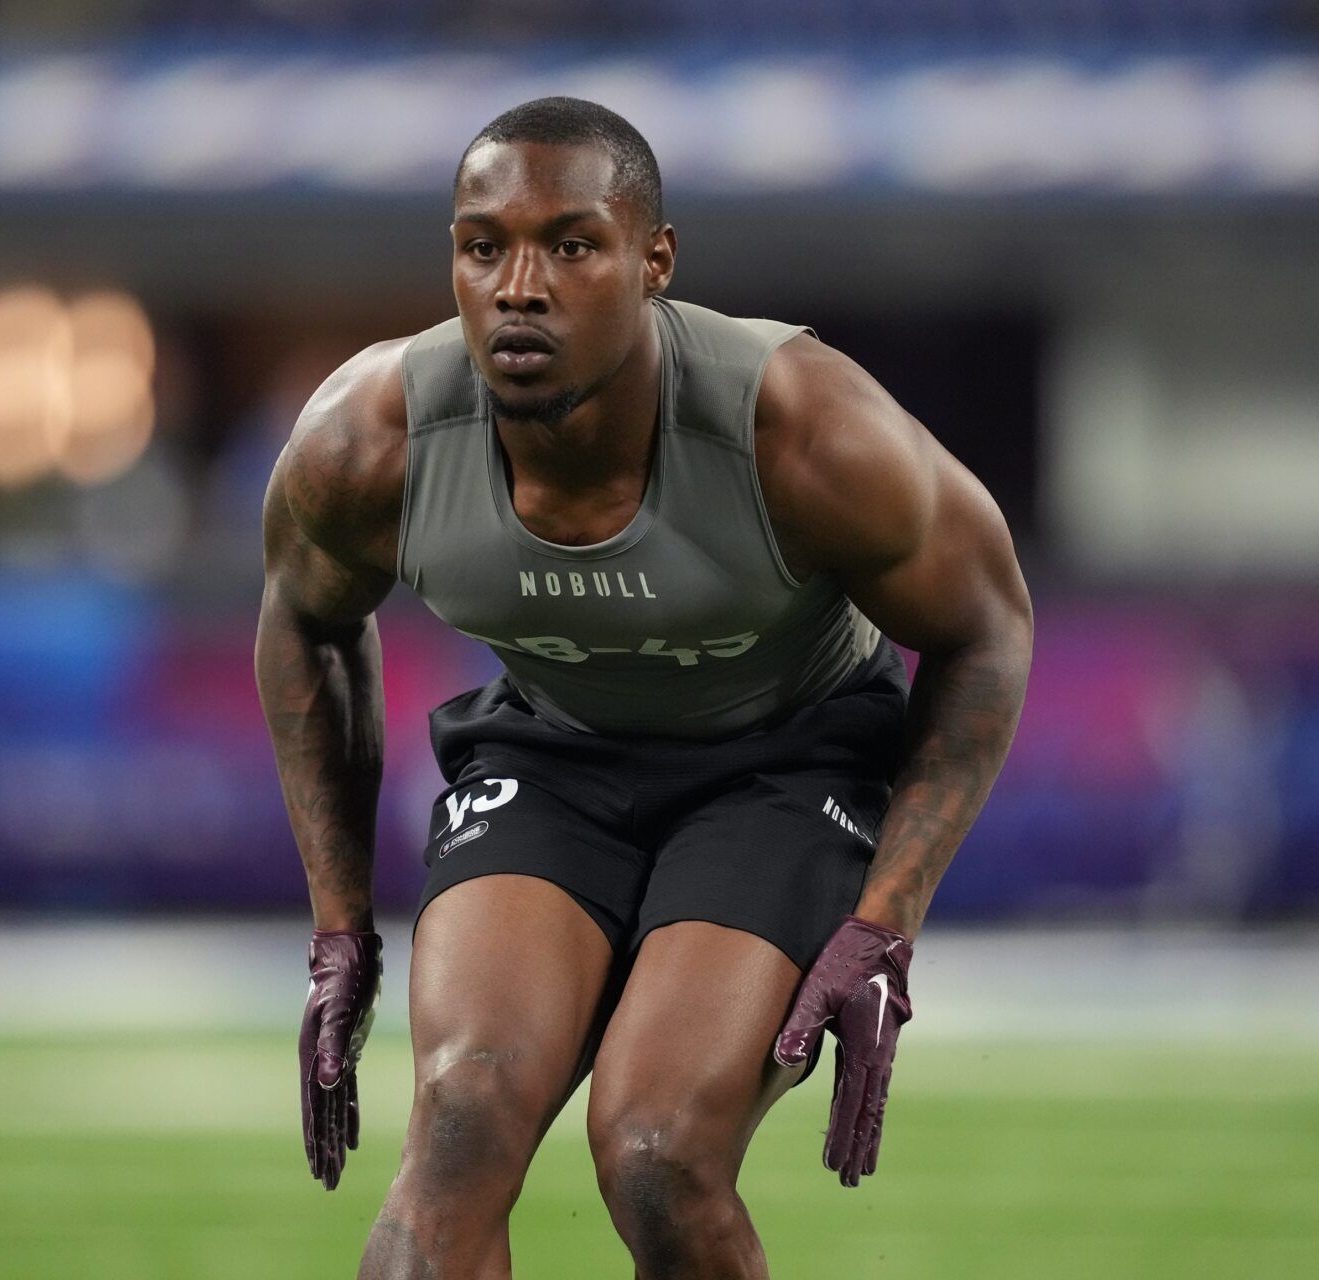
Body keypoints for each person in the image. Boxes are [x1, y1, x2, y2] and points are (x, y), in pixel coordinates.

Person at [255, 96, 1032, 1279]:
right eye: (484, 246)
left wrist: (885, 925)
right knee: (456, 1123)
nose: (520, 285)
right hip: (550, 754)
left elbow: (988, 627)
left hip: (785, 763)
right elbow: (305, 623)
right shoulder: (370, 439)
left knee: (657, 1150)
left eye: (570, 244)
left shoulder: (804, 427)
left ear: (654, 261)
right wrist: (336, 929)